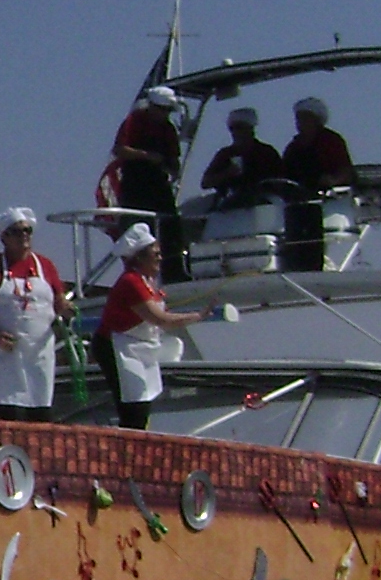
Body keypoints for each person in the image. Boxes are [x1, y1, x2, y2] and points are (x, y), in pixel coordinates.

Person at [97, 223, 218, 430]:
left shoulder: (147, 282)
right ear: (140, 258)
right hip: (116, 347)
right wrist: (198, 316)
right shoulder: (131, 282)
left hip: (138, 348)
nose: (160, 258)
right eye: (155, 254)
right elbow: (160, 319)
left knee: (142, 401)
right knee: (133, 406)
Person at [0, 206, 65, 420]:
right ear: (4, 237)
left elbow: (59, 303)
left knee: (40, 413)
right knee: (8, 413)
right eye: (17, 231)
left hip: (39, 354)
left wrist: (67, 311)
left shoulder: (46, 266)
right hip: (6, 355)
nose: (24, 235)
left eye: (28, 230)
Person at [101, 83, 185, 261]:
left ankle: (174, 265)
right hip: (135, 185)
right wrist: (146, 156)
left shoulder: (168, 129)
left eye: (168, 111)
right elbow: (119, 149)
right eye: (163, 110)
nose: (165, 114)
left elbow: (174, 159)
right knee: (135, 229)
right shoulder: (134, 121)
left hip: (158, 185)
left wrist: (171, 167)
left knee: (170, 226)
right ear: (153, 107)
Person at [278, 95, 356, 270]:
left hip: (325, 203)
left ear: (317, 119)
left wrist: (333, 180)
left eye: (305, 118)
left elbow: (346, 171)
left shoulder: (331, 141)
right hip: (298, 205)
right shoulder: (293, 147)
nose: (300, 123)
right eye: (298, 118)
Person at [200, 104, 284, 201]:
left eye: (239, 127)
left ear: (250, 128)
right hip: (230, 204)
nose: (234, 132)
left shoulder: (267, 153)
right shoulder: (225, 154)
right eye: (232, 128)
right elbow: (205, 183)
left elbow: (282, 181)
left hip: (262, 203)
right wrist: (227, 173)